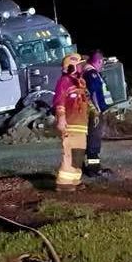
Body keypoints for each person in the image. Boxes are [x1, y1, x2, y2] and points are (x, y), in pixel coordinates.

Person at [52, 53, 91, 192]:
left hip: (80, 123)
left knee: (78, 153)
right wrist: (61, 118)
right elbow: (59, 101)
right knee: (69, 152)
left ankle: (75, 179)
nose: (82, 67)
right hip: (70, 123)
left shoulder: (79, 81)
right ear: (71, 67)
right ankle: (63, 183)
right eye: (79, 65)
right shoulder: (64, 81)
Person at [82, 50, 114, 178]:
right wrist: (97, 109)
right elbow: (94, 92)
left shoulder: (89, 72)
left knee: (92, 139)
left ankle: (89, 166)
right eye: (102, 62)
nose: (102, 65)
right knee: (94, 140)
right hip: (94, 112)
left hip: (93, 111)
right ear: (99, 61)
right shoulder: (92, 73)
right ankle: (93, 169)